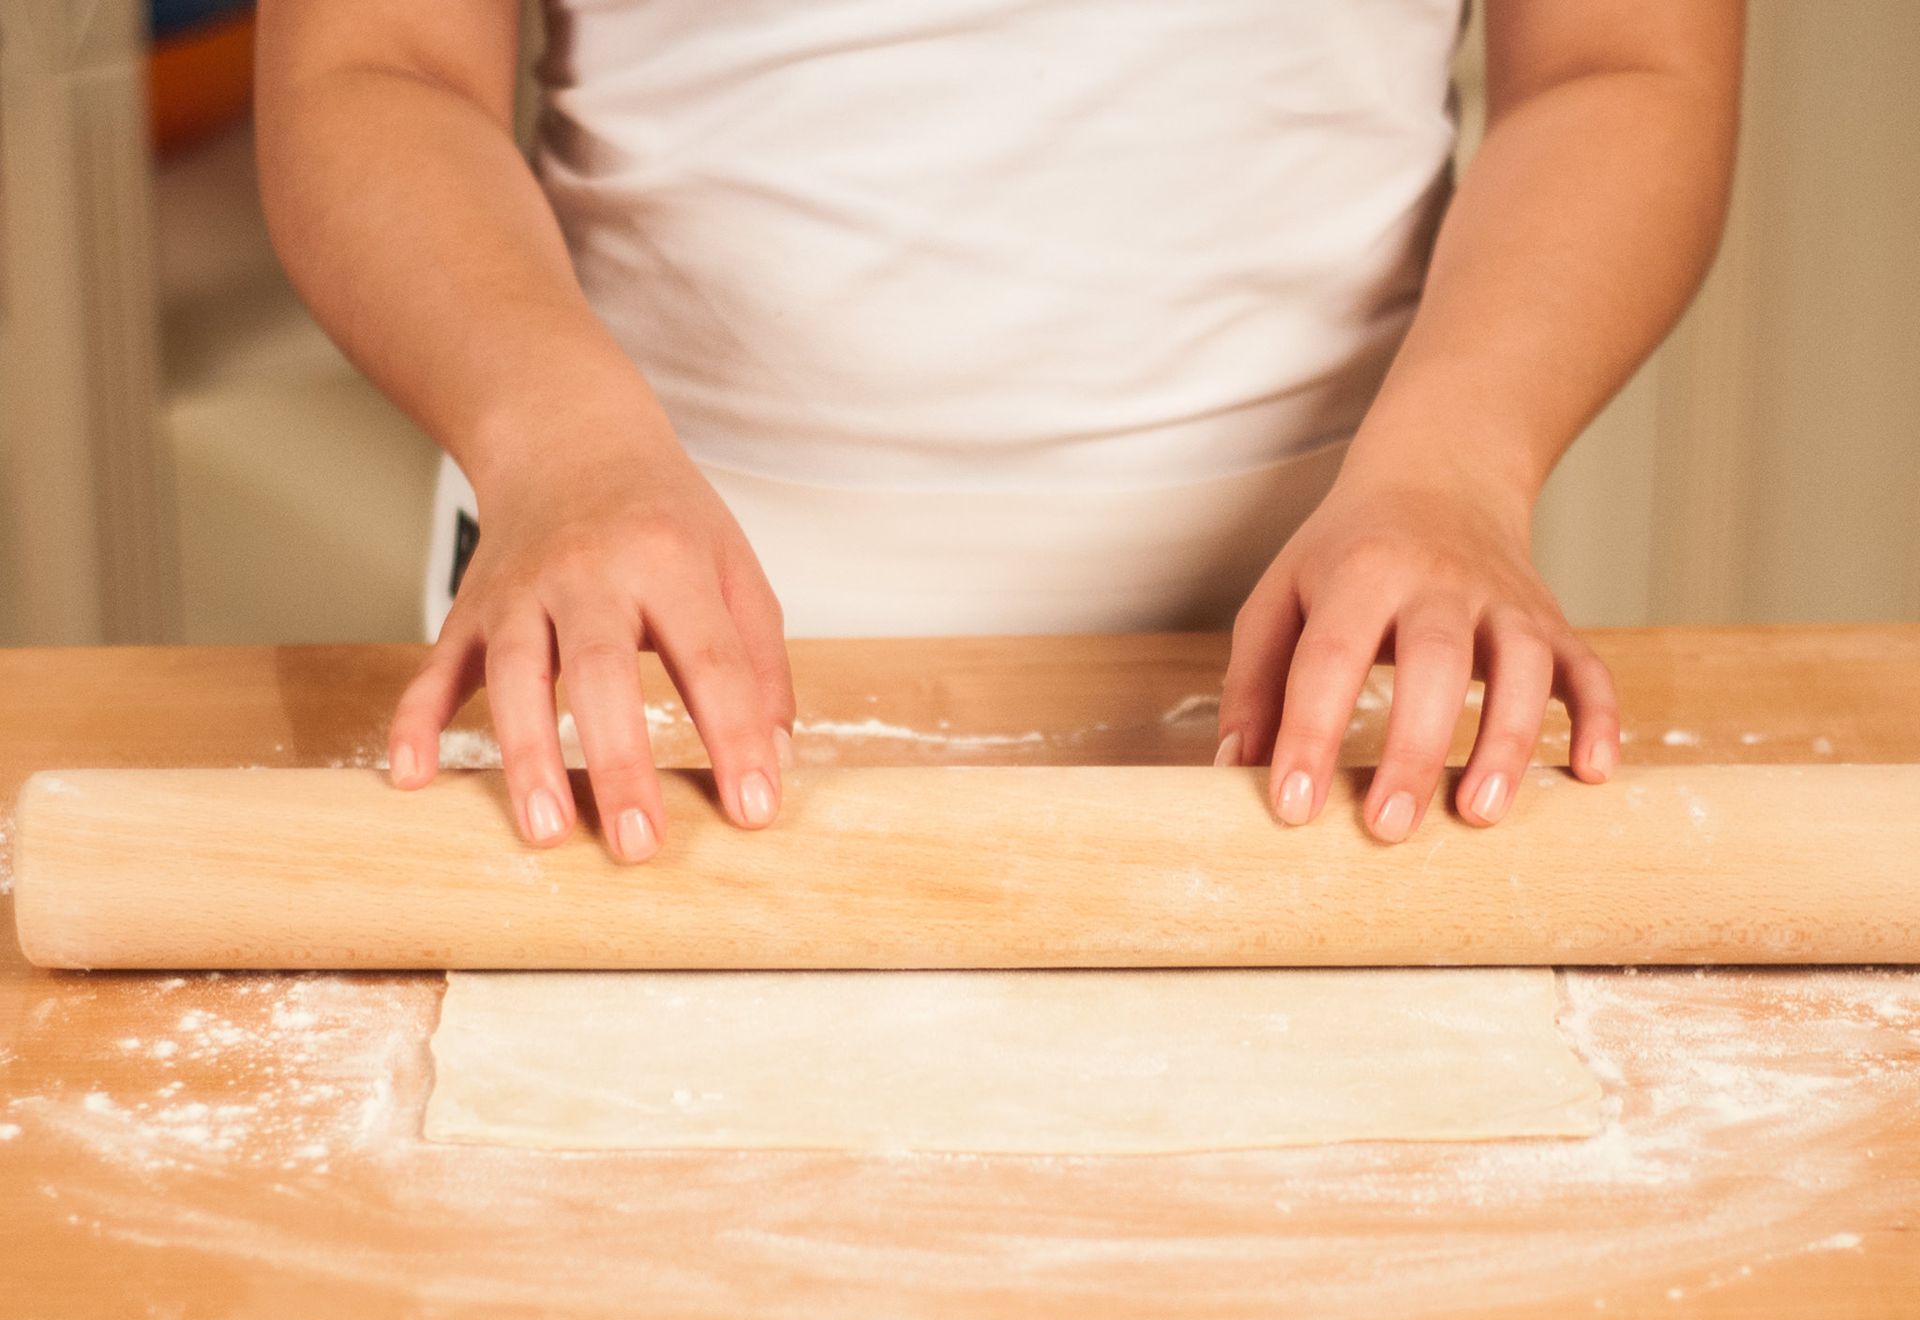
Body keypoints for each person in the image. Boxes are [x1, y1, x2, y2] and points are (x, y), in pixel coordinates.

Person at [257, 0, 1741, 862]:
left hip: (1337, 628)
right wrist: (563, 452)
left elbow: (1618, 60)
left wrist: (1454, 472)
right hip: (626, 613)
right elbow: (376, 59)